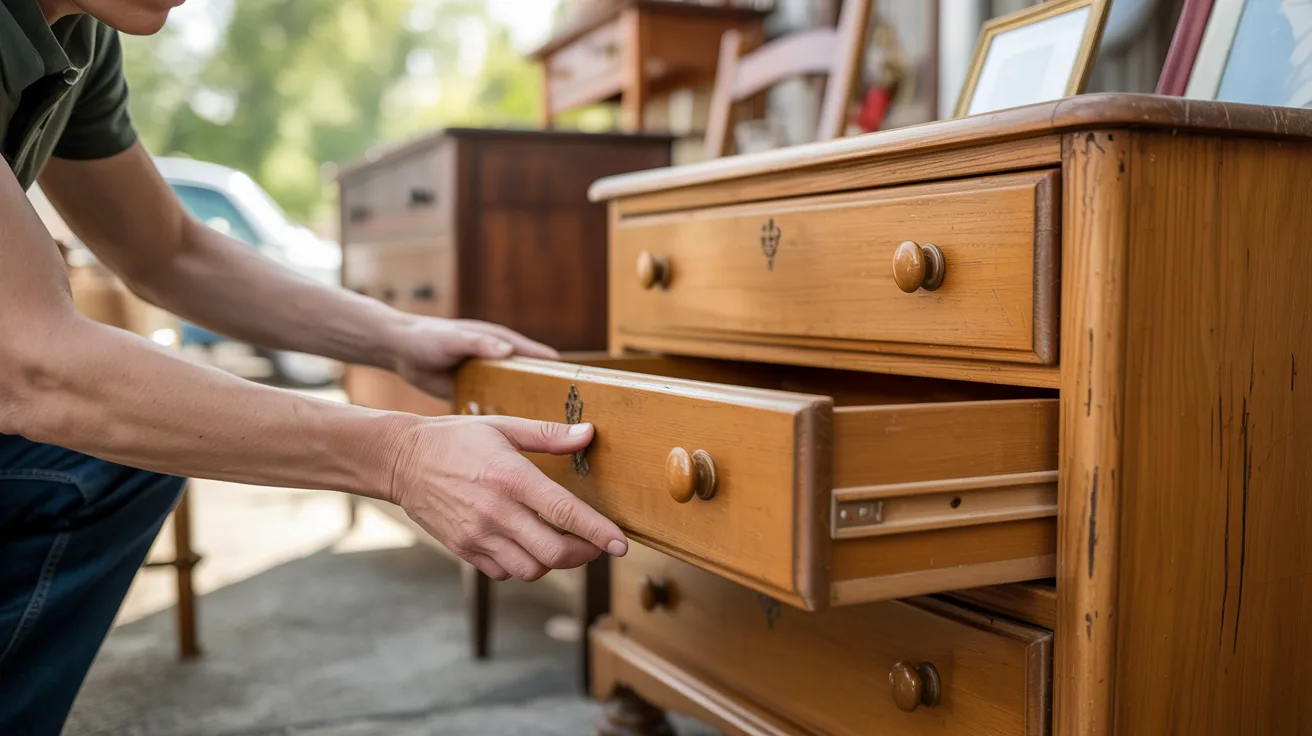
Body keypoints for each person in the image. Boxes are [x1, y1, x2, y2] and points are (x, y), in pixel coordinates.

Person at [0, 0, 629, 731]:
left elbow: (166, 249)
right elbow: (32, 364)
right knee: (103, 447)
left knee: (123, 462)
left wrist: (396, 336)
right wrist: (396, 456)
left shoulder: (82, 33)